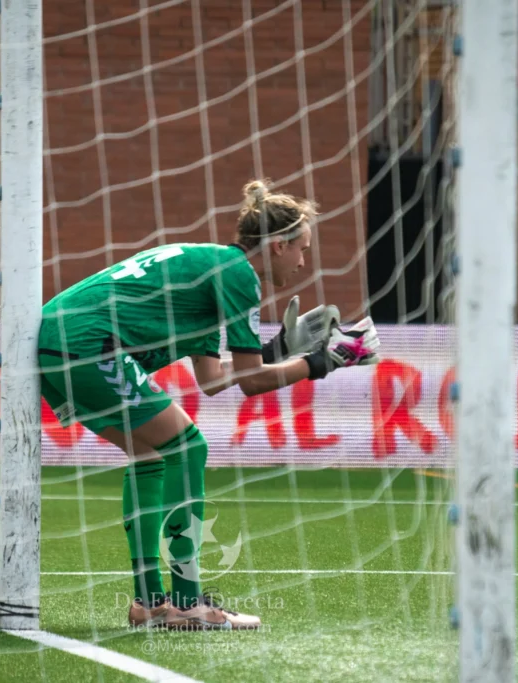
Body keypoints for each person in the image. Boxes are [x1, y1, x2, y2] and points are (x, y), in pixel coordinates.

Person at [37, 180, 380, 630]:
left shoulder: (212, 267)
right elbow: (253, 382)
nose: (302, 262)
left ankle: (149, 603)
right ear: (277, 245)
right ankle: (185, 601)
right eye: (301, 249)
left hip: (53, 344)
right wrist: (323, 362)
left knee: (150, 454)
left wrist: (280, 353)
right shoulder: (240, 276)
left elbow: (215, 380)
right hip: (87, 347)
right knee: (189, 447)